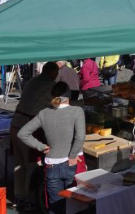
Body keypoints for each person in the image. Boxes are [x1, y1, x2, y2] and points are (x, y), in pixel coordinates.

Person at [18, 82, 86, 214]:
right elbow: (80, 137)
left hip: (51, 165)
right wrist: (72, 156)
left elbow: (22, 133)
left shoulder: (44, 113)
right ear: (69, 96)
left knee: (55, 207)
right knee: (75, 205)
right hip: (71, 163)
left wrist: (41, 147)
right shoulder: (77, 111)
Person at [11, 62, 60, 211]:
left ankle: (19, 196)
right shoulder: (50, 85)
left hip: (15, 124)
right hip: (29, 127)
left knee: (19, 164)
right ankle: (30, 199)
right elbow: (56, 106)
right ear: (53, 73)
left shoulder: (33, 80)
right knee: (31, 164)